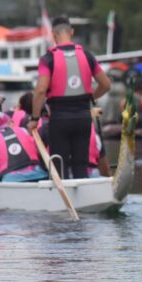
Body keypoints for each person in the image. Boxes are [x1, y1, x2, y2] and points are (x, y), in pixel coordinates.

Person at [30, 16, 111, 179]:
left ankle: (63, 202)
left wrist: (34, 118)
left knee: (60, 165)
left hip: (59, 118)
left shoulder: (48, 59)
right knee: (81, 165)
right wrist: (91, 99)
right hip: (83, 117)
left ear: (53, 35)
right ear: (71, 32)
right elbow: (106, 84)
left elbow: (40, 90)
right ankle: (82, 201)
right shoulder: (87, 56)